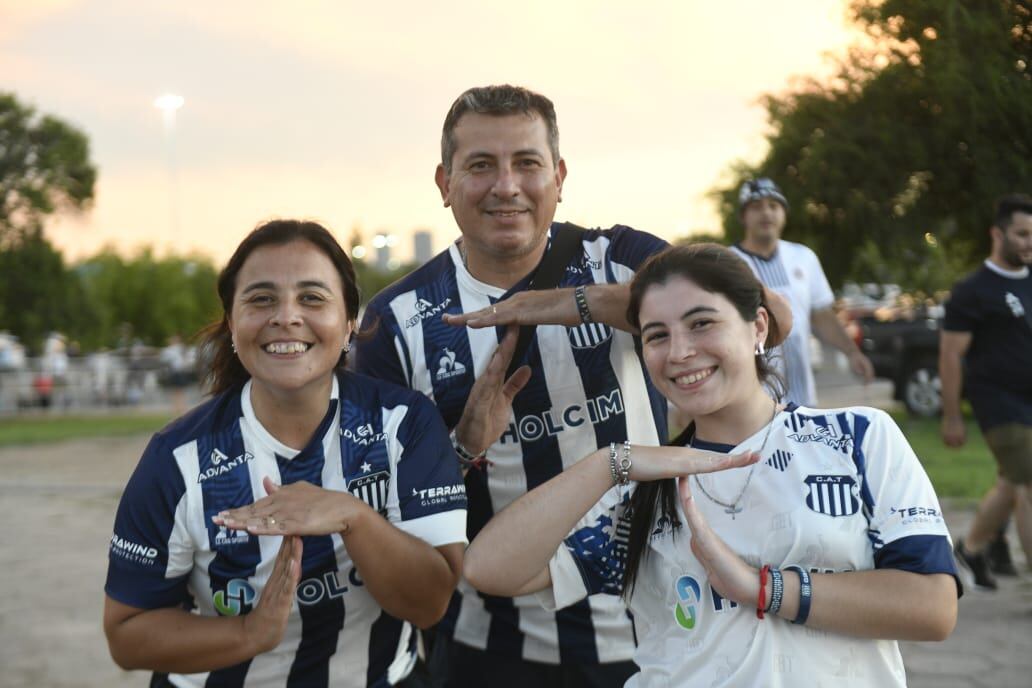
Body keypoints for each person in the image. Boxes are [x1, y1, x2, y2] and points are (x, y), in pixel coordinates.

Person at [464, 243, 959, 687]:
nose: (679, 352)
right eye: (656, 336)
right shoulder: (640, 489)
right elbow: (489, 569)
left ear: (757, 326)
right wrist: (608, 462)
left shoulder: (856, 436)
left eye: (702, 323)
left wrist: (760, 587)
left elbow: (932, 608)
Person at [354, 83, 669, 687]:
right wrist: (463, 447)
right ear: (445, 184)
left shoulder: (625, 261)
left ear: (559, 175)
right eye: (480, 166)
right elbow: (380, 514)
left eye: (527, 162)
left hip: (661, 633)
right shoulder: (393, 324)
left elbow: (765, 317)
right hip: (489, 652)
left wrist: (584, 302)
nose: (506, 186)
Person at [103, 220, 467, 687]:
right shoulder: (176, 459)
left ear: (350, 321)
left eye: (312, 297)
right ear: (233, 324)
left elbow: (430, 604)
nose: (287, 316)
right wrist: (248, 633)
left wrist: (352, 515)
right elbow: (126, 635)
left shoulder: (405, 423)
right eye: (261, 299)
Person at [941, 193, 1032, 589]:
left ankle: (973, 547)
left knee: (1012, 482)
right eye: (1022, 234)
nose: (1030, 242)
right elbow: (949, 355)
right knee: (1029, 482)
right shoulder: (973, 291)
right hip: (999, 404)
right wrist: (951, 414)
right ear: (997, 233)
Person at [731, 178, 874, 407]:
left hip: (803, 398)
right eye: (757, 206)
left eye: (774, 206)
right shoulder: (729, 263)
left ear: (784, 213)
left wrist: (852, 352)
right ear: (743, 216)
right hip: (752, 402)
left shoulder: (803, 257)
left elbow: (821, 316)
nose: (766, 213)